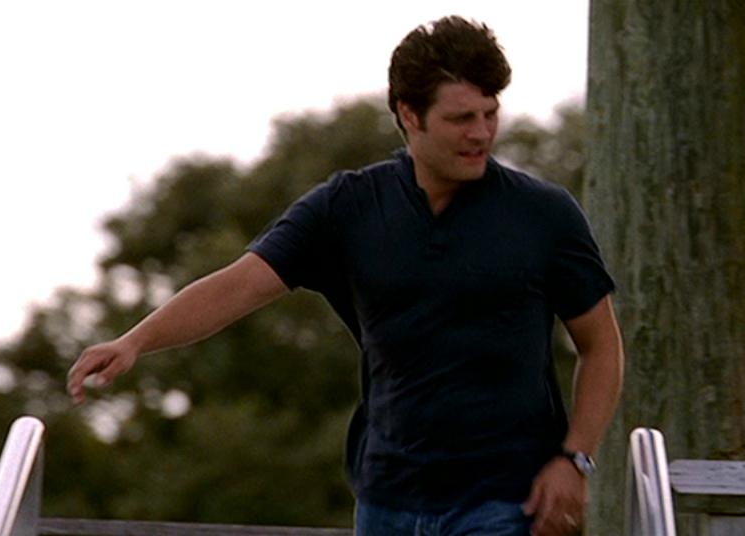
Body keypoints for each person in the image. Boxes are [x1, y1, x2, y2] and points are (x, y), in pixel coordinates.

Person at [67, 15, 623, 536]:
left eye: (490, 114)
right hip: (387, 500)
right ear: (410, 115)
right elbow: (238, 285)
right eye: (461, 119)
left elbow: (602, 347)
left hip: (506, 501)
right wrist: (135, 340)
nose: (481, 133)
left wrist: (575, 458)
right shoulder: (348, 207)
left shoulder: (544, 214)